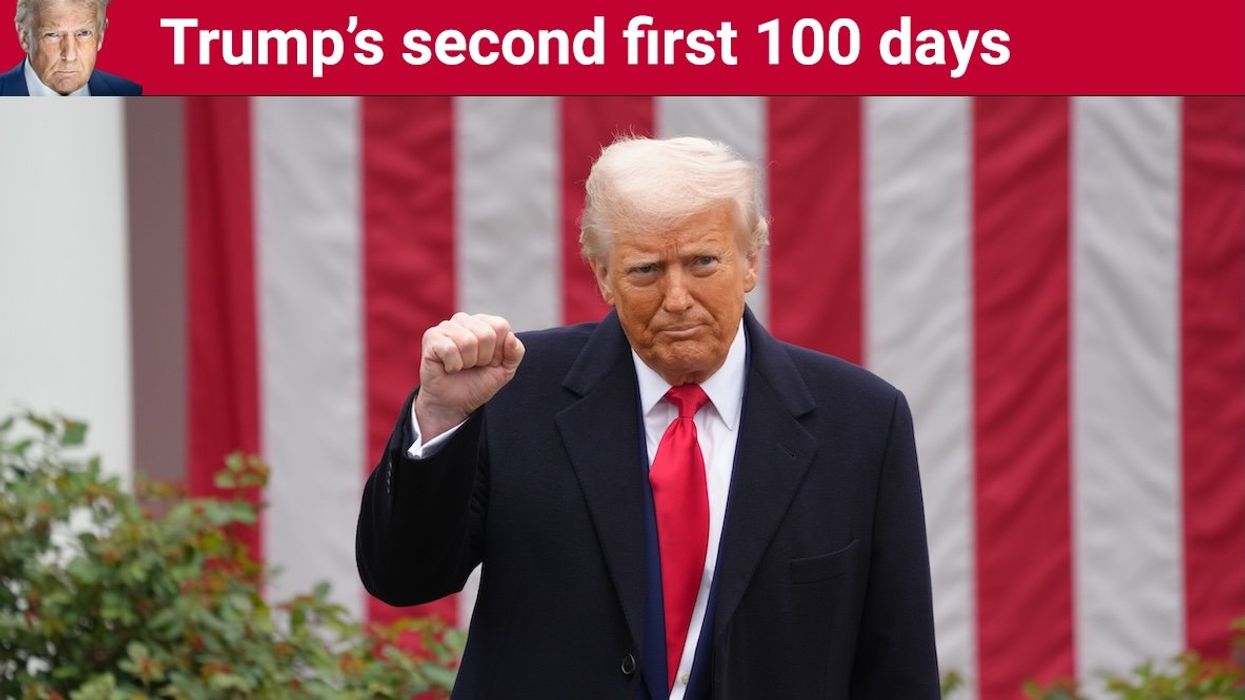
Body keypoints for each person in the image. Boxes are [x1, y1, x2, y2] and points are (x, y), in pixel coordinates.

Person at [356, 136, 939, 699]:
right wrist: (441, 414)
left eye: (703, 262)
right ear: (603, 277)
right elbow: (404, 579)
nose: (677, 298)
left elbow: (897, 662)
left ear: (751, 261)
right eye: (646, 270)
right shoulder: (509, 389)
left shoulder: (862, 421)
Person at [1, 0, 140, 96]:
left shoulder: (131, 94)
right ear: (24, 36)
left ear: (101, 35)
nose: (70, 56)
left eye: (84, 33)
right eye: (53, 35)